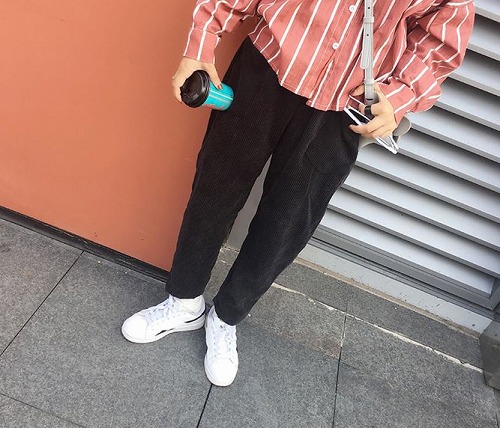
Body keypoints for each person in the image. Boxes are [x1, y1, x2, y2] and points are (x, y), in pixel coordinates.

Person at [122, 0, 474, 387]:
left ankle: (226, 318)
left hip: (347, 105)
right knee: (215, 188)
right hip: (268, 64)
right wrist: (201, 41)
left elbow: (443, 32)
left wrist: (401, 94)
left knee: (287, 222)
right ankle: (184, 301)